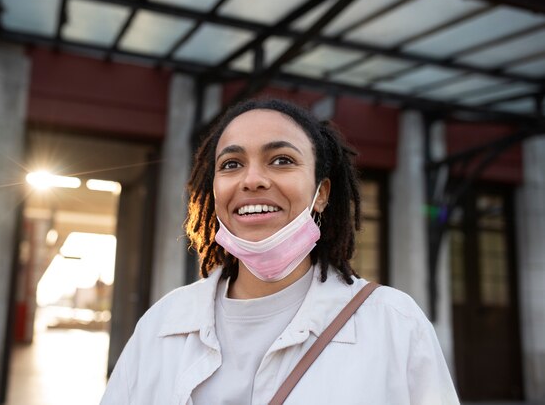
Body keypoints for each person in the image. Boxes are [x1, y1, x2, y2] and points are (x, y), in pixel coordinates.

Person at [100, 98, 460, 404]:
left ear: (321, 193)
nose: (252, 179)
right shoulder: (161, 324)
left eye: (282, 160)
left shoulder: (395, 323)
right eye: (231, 164)